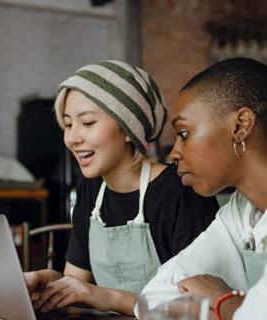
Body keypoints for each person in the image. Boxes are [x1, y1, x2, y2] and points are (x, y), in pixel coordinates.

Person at [23, 60, 219, 316]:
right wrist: (46, 279)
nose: (73, 138)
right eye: (68, 124)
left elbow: (196, 307)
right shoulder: (91, 190)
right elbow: (77, 283)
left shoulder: (182, 192)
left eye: (88, 122)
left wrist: (106, 297)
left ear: (129, 129)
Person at [137, 57, 267, 319]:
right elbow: (154, 297)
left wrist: (224, 299)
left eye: (183, 134)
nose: (174, 153)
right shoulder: (242, 212)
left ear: (240, 126)